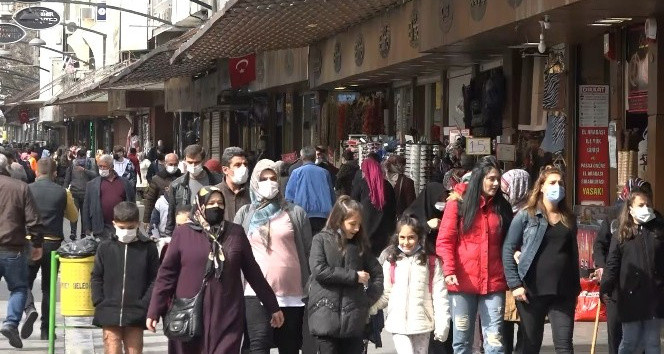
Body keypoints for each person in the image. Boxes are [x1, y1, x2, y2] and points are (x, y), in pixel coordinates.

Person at [147, 186, 284, 353]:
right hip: (188, 314)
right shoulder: (183, 234)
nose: (216, 206)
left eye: (220, 203)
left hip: (227, 313)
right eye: (211, 202)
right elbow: (166, 276)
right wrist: (154, 310)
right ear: (200, 205)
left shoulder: (235, 233)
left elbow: (253, 273)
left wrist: (273, 306)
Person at [436, 156, 513, 354]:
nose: (496, 183)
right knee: (462, 342)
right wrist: (449, 270)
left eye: (498, 179)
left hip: (494, 283)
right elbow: (445, 240)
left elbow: (510, 243)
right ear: (479, 178)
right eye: (491, 178)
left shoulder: (502, 207)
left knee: (494, 341)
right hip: (461, 281)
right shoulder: (458, 204)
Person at [234, 159, 312, 354]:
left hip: (291, 293)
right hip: (254, 292)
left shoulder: (295, 213)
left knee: (290, 347)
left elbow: (308, 250)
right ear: (254, 181)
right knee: (258, 344)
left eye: (273, 178)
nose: (269, 183)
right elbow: (234, 251)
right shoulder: (245, 214)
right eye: (263, 178)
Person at [502, 167, 580, 354]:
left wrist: (576, 287)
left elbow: (572, 254)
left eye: (560, 183)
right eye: (552, 183)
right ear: (542, 187)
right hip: (531, 292)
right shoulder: (526, 215)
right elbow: (508, 248)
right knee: (530, 345)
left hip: (563, 293)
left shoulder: (569, 218)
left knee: (564, 346)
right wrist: (515, 285)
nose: (557, 187)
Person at [371, 216, 450, 353]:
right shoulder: (391, 261)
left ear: (419, 237)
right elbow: (386, 293)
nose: (406, 242)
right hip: (398, 324)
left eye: (411, 237)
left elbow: (439, 295)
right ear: (397, 237)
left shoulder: (431, 262)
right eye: (402, 237)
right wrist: (370, 307)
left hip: (422, 324)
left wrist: (443, 322)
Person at [600, 189, 664, 354]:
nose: (646, 208)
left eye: (648, 205)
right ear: (630, 209)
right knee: (630, 342)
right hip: (630, 296)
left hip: (654, 296)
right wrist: (605, 286)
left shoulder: (658, 231)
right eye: (641, 205)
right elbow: (612, 263)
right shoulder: (622, 233)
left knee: (653, 343)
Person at [90, 202, 159, 354]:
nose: (126, 231)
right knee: (112, 349)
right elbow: (96, 276)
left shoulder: (148, 248)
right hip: (109, 309)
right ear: (114, 224)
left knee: (134, 350)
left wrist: (145, 303)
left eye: (130, 228)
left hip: (136, 311)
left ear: (138, 224)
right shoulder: (105, 247)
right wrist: (99, 300)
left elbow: (155, 279)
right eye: (121, 228)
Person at [593, 177, 652, 354]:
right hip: (616, 284)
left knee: (642, 334)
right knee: (616, 333)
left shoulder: (654, 218)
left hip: (643, 284)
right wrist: (602, 267)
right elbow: (599, 245)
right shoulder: (612, 216)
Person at [22, 159, 78, 340]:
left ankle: (29, 308)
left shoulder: (26, 189)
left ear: (36, 172)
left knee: (22, 283)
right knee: (48, 289)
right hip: (53, 244)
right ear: (54, 173)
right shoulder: (63, 192)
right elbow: (73, 215)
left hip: (30, 242)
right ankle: (47, 330)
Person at [0, 154, 44, 349]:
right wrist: (36, 244)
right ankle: (11, 323)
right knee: (18, 288)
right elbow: (33, 220)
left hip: (12, 247)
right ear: (7, 166)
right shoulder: (20, 187)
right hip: (13, 247)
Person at [499, 169, 530, 354]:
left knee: (526, 331)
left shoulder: (532, 213)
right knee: (502, 331)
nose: (504, 193)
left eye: (506, 188)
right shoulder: (502, 210)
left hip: (526, 278)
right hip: (503, 277)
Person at [163, 144, 223, 237]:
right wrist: (169, 237)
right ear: (185, 161)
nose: (193, 166)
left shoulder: (218, 181)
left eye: (197, 162)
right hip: (186, 233)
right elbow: (171, 216)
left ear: (203, 161)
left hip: (213, 232)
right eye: (190, 162)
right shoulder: (176, 185)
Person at [82, 154, 136, 239]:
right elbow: (86, 207)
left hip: (121, 226)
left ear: (112, 167)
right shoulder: (92, 184)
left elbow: (132, 204)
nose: (102, 169)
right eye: (100, 166)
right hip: (100, 227)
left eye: (104, 166)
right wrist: (87, 228)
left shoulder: (125, 183)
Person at [285, 146, 336, 236]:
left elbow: (289, 197)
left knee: (306, 244)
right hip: (323, 215)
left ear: (301, 158)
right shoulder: (324, 172)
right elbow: (332, 196)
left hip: (302, 214)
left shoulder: (297, 172)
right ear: (314, 157)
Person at [351, 157, 397, 257]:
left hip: (365, 234)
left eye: (363, 171)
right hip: (384, 236)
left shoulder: (361, 185)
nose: (363, 174)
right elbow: (393, 211)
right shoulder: (388, 186)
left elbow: (352, 206)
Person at [64, 148, 98, 240]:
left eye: (83, 157)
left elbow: (95, 175)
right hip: (74, 192)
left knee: (84, 215)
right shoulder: (72, 164)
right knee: (74, 214)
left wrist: (84, 170)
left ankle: (83, 232)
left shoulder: (90, 163)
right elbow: (67, 178)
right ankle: (73, 232)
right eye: (80, 157)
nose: (81, 159)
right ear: (77, 157)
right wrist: (64, 189)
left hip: (86, 193)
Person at [143, 153, 182, 231]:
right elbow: (150, 200)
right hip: (162, 216)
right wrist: (146, 220)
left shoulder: (182, 178)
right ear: (165, 164)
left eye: (175, 164)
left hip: (179, 216)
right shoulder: (157, 179)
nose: (173, 167)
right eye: (171, 164)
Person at [216, 147, 251, 222]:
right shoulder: (215, 193)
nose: (243, 168)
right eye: (237, 165)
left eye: (245, 164)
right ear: (225, 170)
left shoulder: (253, 193)